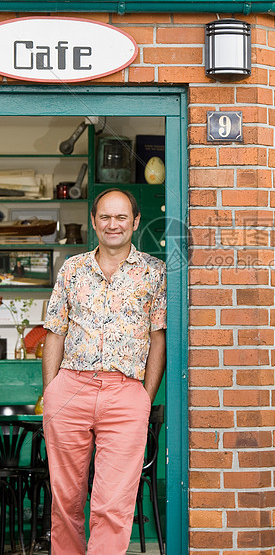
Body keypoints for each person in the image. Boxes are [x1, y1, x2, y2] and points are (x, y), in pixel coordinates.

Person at [42, 188, 166, 555]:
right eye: (106, 217)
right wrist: (51, 392)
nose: (114, 224)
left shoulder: (154, 272)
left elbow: (158, 339)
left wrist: (145, 396)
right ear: (95, 222)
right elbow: (55, 332)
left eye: (122, 217)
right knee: (65, 502)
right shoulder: (73, 269)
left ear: (135, 222)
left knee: (112, 504)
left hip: (125, 392)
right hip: (70, 388)